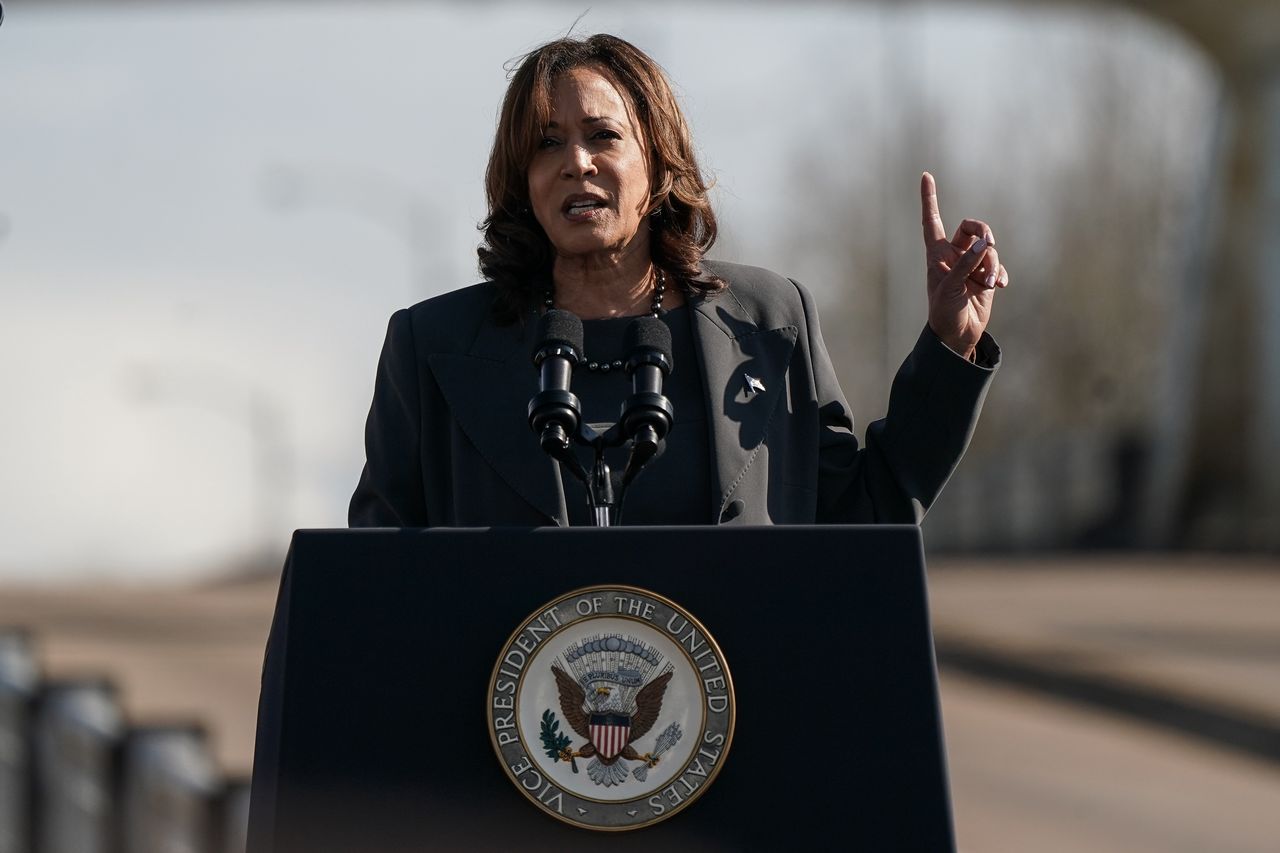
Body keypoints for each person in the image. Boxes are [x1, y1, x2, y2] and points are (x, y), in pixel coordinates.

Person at [349, 33, 1006, 529]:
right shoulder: (432, 348)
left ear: (659, 161)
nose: (577, 162)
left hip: (739, 710)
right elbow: (377, 580)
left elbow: (865, 518)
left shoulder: (769, 322)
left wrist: (950, 346)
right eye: (547, 144)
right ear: (522, 177)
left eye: (603, 135)